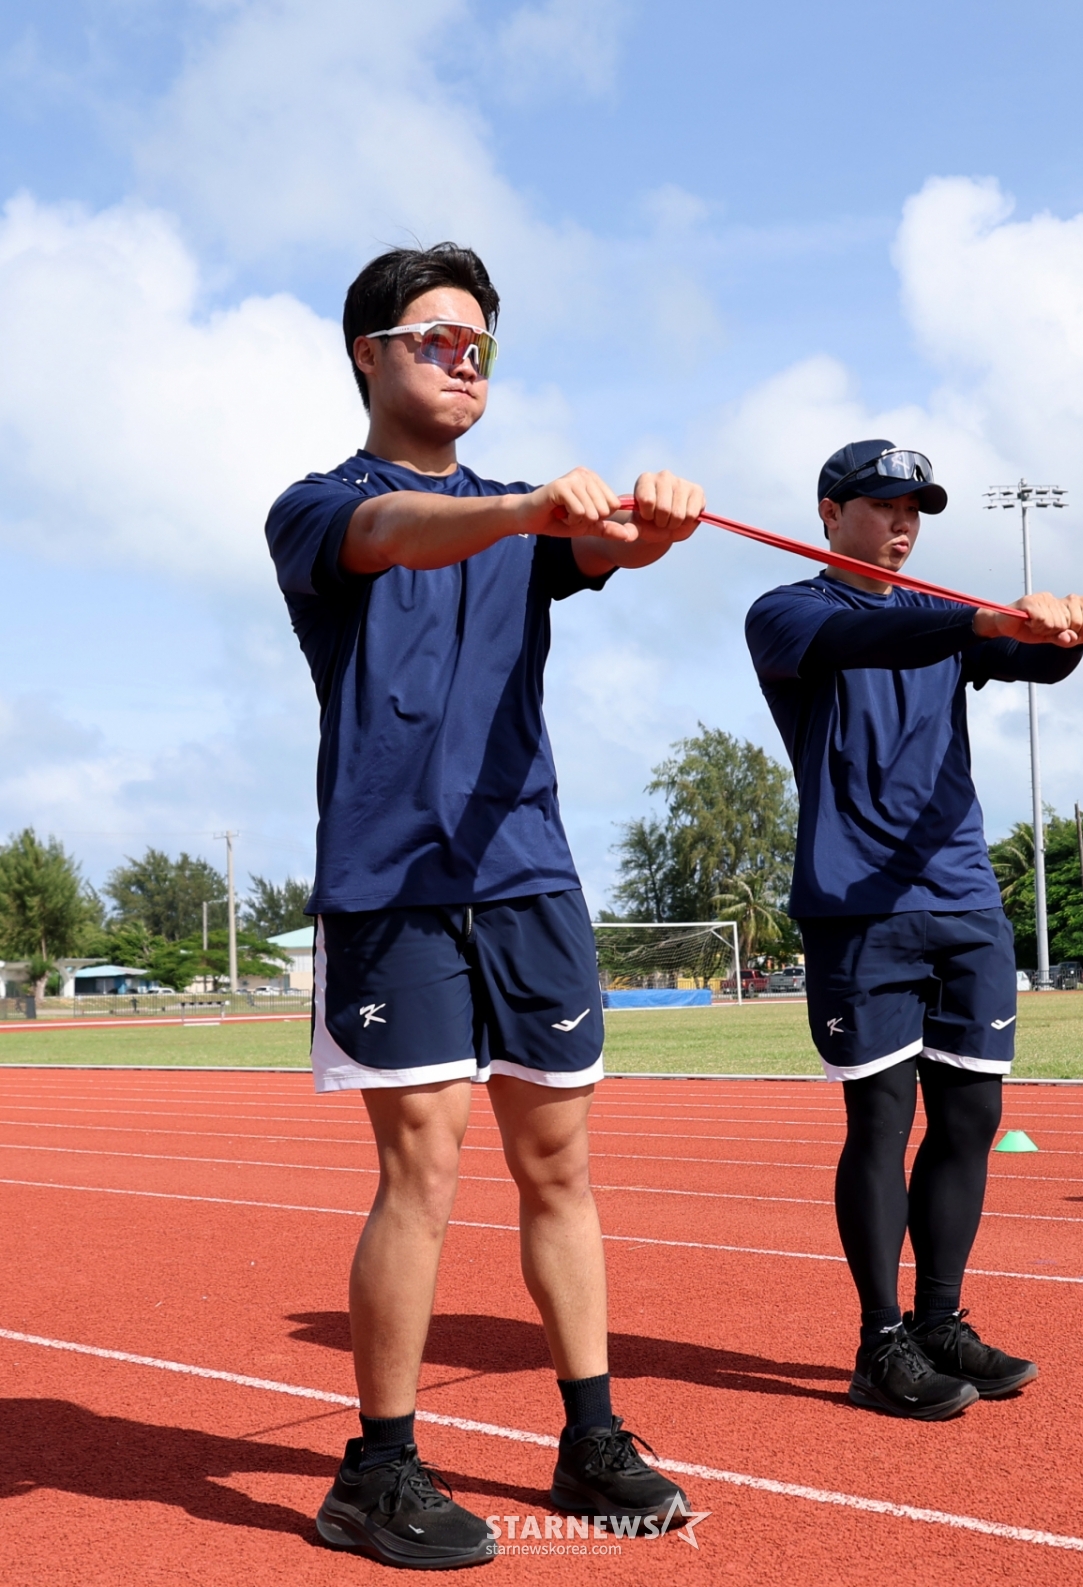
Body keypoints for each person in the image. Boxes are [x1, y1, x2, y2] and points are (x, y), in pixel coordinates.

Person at [265, 243, 704, 1569]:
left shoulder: (525, 523)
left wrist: (653, 526)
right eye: (437, 340)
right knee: (424, 1168)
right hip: (394, 882)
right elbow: (400, 534)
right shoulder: (320, 507)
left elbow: (606, 547)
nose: (465, 362)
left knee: (560, 1164)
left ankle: (591, 1437)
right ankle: (377, 1468)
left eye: (481, 348)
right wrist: (526, 513)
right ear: (369, 354)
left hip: (527, 874)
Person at [744, 440, 1083, 1421]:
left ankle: (940, 1322)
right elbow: (877, 640)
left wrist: (1074, 632)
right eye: (884, 504)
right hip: (860, 907)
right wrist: (978, 619)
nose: (904, 523)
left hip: (964, 897)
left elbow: (1035, 662)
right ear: (830, 512)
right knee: (882, 1119)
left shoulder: (944, 615)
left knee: (973, 1118)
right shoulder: (786, 612)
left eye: (916, 509)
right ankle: (880, 1342)